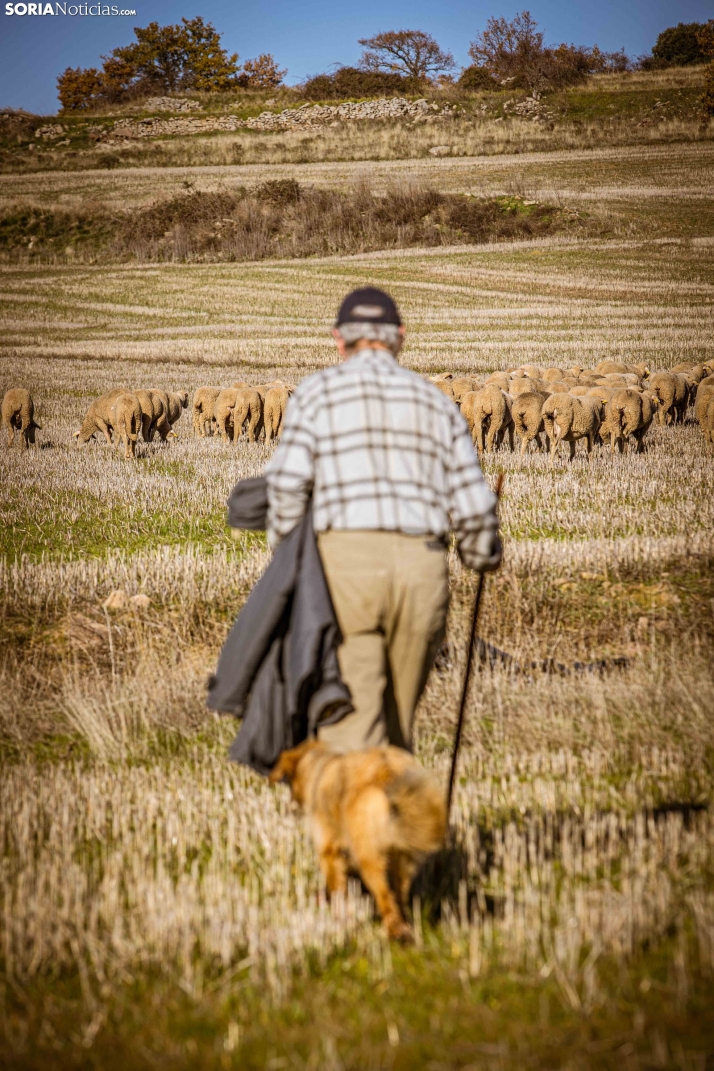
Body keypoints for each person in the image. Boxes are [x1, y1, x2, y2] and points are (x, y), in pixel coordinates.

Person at [264, 286, 501, 752]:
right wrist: (479, 553)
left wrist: (291, 561)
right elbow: (474, 505)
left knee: (352, 724)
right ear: (400, 338)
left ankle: (359, 818)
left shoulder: (314, 395)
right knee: (397, 728)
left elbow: (286, 490)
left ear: (338, 339)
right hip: (421, 570)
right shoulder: (435, 401)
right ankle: (392, 809)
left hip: (345, 569)